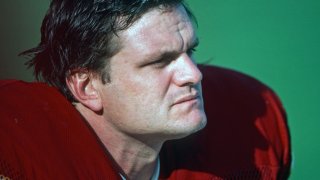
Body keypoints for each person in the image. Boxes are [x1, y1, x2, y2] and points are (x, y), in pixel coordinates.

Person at [20, 0, 207, 179]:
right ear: (87, 87)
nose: (194, 74)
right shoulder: (18, 161)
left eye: (190, 51)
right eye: (159, 61)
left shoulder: (229, 127)